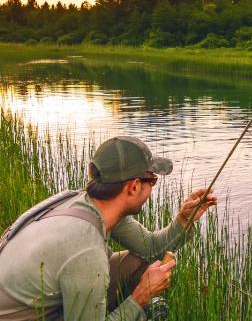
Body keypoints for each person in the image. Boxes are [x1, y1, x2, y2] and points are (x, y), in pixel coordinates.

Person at [0, 136, 217, 320]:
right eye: (152, 181)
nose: (152, 188)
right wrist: (141, 296)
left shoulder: (87, 203)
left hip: (39, 294)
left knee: (135, 262)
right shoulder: (85, 250)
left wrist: (183, 219)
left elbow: (150, 249)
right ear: (133, 187)